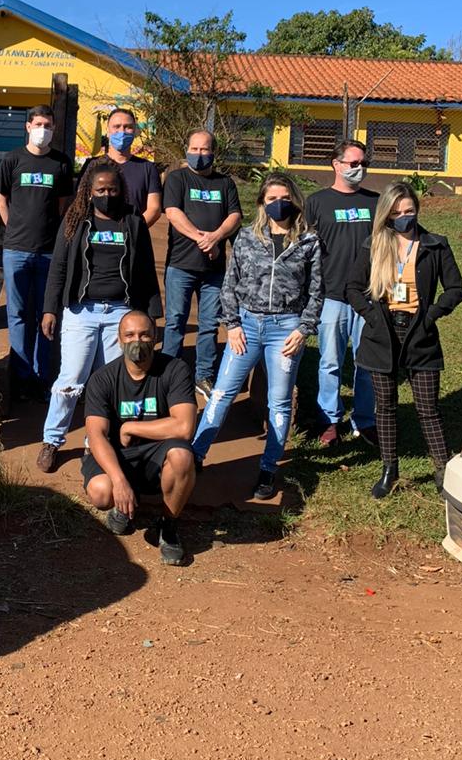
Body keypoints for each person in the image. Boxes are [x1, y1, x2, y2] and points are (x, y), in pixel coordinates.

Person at [191, 173, 323, 501]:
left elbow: (317, 290)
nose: (279, 204)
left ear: (295, 200)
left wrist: (303, 329)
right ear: (262, 202)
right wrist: (232, 324)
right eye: (272, 198)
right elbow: (230, 283)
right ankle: (195, 456)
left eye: (285, 198)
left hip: (286, 328)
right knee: (222, 393)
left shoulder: (308, 241)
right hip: (247, 326)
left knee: (279, 401)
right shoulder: (248, 237)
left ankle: (268, 468)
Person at [36, 160, 160, 473]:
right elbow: (59, 267)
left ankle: (95, 442)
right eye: (101, 190)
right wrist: (50, 308)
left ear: (122, 191)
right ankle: (52, 440)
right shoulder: (76, 220)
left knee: (111, 382)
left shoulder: (133, 221)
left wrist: (151, 315)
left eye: (112, 190)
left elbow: (146, 270)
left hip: (121, 313)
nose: (107, 195)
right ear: (89, 192)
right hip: (81, 312)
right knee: (71, 378)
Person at [345, 182, 462, 498]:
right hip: (382, 333)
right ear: (386, 215)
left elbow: (456, 288)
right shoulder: (374, 245)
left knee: (428, 407)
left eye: (408, 211)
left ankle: (442, 469)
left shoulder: (435, 245)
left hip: (420, 333)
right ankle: (390, 469)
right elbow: (352, 288)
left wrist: (431, 315)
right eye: (396, 213)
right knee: (385, 407)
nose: (403, 217)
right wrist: (372, 316)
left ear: (417, 210)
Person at [82, 310, 197, 565]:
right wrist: (119, 481)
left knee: (182, 456)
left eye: (144, 335)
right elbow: (96, 435)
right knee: (101, 492)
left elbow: (185, 427)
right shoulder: (102, 378)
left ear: (155, 337)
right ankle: (124, 502)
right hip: (119, 454)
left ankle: (168, 524)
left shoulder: (175, 369)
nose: (137, 341)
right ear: (119, 340)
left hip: (159, 450)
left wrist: (131, 428)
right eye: (130, 335)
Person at [305, 139, 379, 447]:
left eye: (364, 163)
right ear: (336, 164)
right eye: (354, 163)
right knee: (330, 362)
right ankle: (329, 420)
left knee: (367, 363)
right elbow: (305, 248)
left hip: (368, 296)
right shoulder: (317, 202)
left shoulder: (376, 202)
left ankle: (365, 419)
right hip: (331, 295)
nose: (360, 168)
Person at [0, 105, 74, 399]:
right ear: (28, 126)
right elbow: (2, 200)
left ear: (54, 128)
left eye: (48, 125)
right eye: (38, 124)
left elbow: (64, 205)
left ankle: (42, 378)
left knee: (47, 314)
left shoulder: (61, 163)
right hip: (15, 250)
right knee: (17, 314)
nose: (43, 130)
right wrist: (14, 229)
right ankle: (21, 376)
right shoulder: (12, 160)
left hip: (49, 252)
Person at [161, 129, 242, 401]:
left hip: (214, 270)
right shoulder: (177, 178)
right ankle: (169, 373)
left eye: (204, 149)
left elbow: (235, 215)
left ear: (213, 152)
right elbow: (173, 213)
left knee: (209, 324)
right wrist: (202, 239)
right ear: (187, 150)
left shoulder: (225, 183)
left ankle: (204, 375)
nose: (199, 154)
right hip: (180, 265)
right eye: (194, 149)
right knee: (175, 321)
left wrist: (217, 236)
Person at [79, 107, 163, 226]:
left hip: (134, 234)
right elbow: (82, 203)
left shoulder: (148, 168)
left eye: (128, 127)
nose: (122, 131)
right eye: (116, 126)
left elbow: (154, 209)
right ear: (108, 131)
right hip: (98, 234)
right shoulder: (93, 165)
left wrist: (133, 230)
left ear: (135, 131)